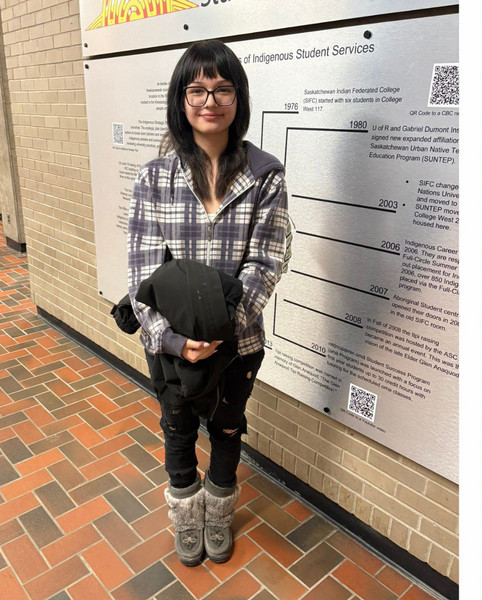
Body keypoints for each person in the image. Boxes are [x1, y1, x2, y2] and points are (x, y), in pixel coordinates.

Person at [127, 40, 290, 566]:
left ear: (238, 98)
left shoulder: (266, 175)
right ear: (181, 99)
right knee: (176, 430)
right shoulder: (155, 178)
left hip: (238, 343)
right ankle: (186, 516)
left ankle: (218, 516)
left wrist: (218, 330)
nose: (209, 100)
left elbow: (267, 262)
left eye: (222, 89)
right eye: (197, 89)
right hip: (170, 345)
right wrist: (174, 339)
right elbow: (142, 272)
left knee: (226, 427)